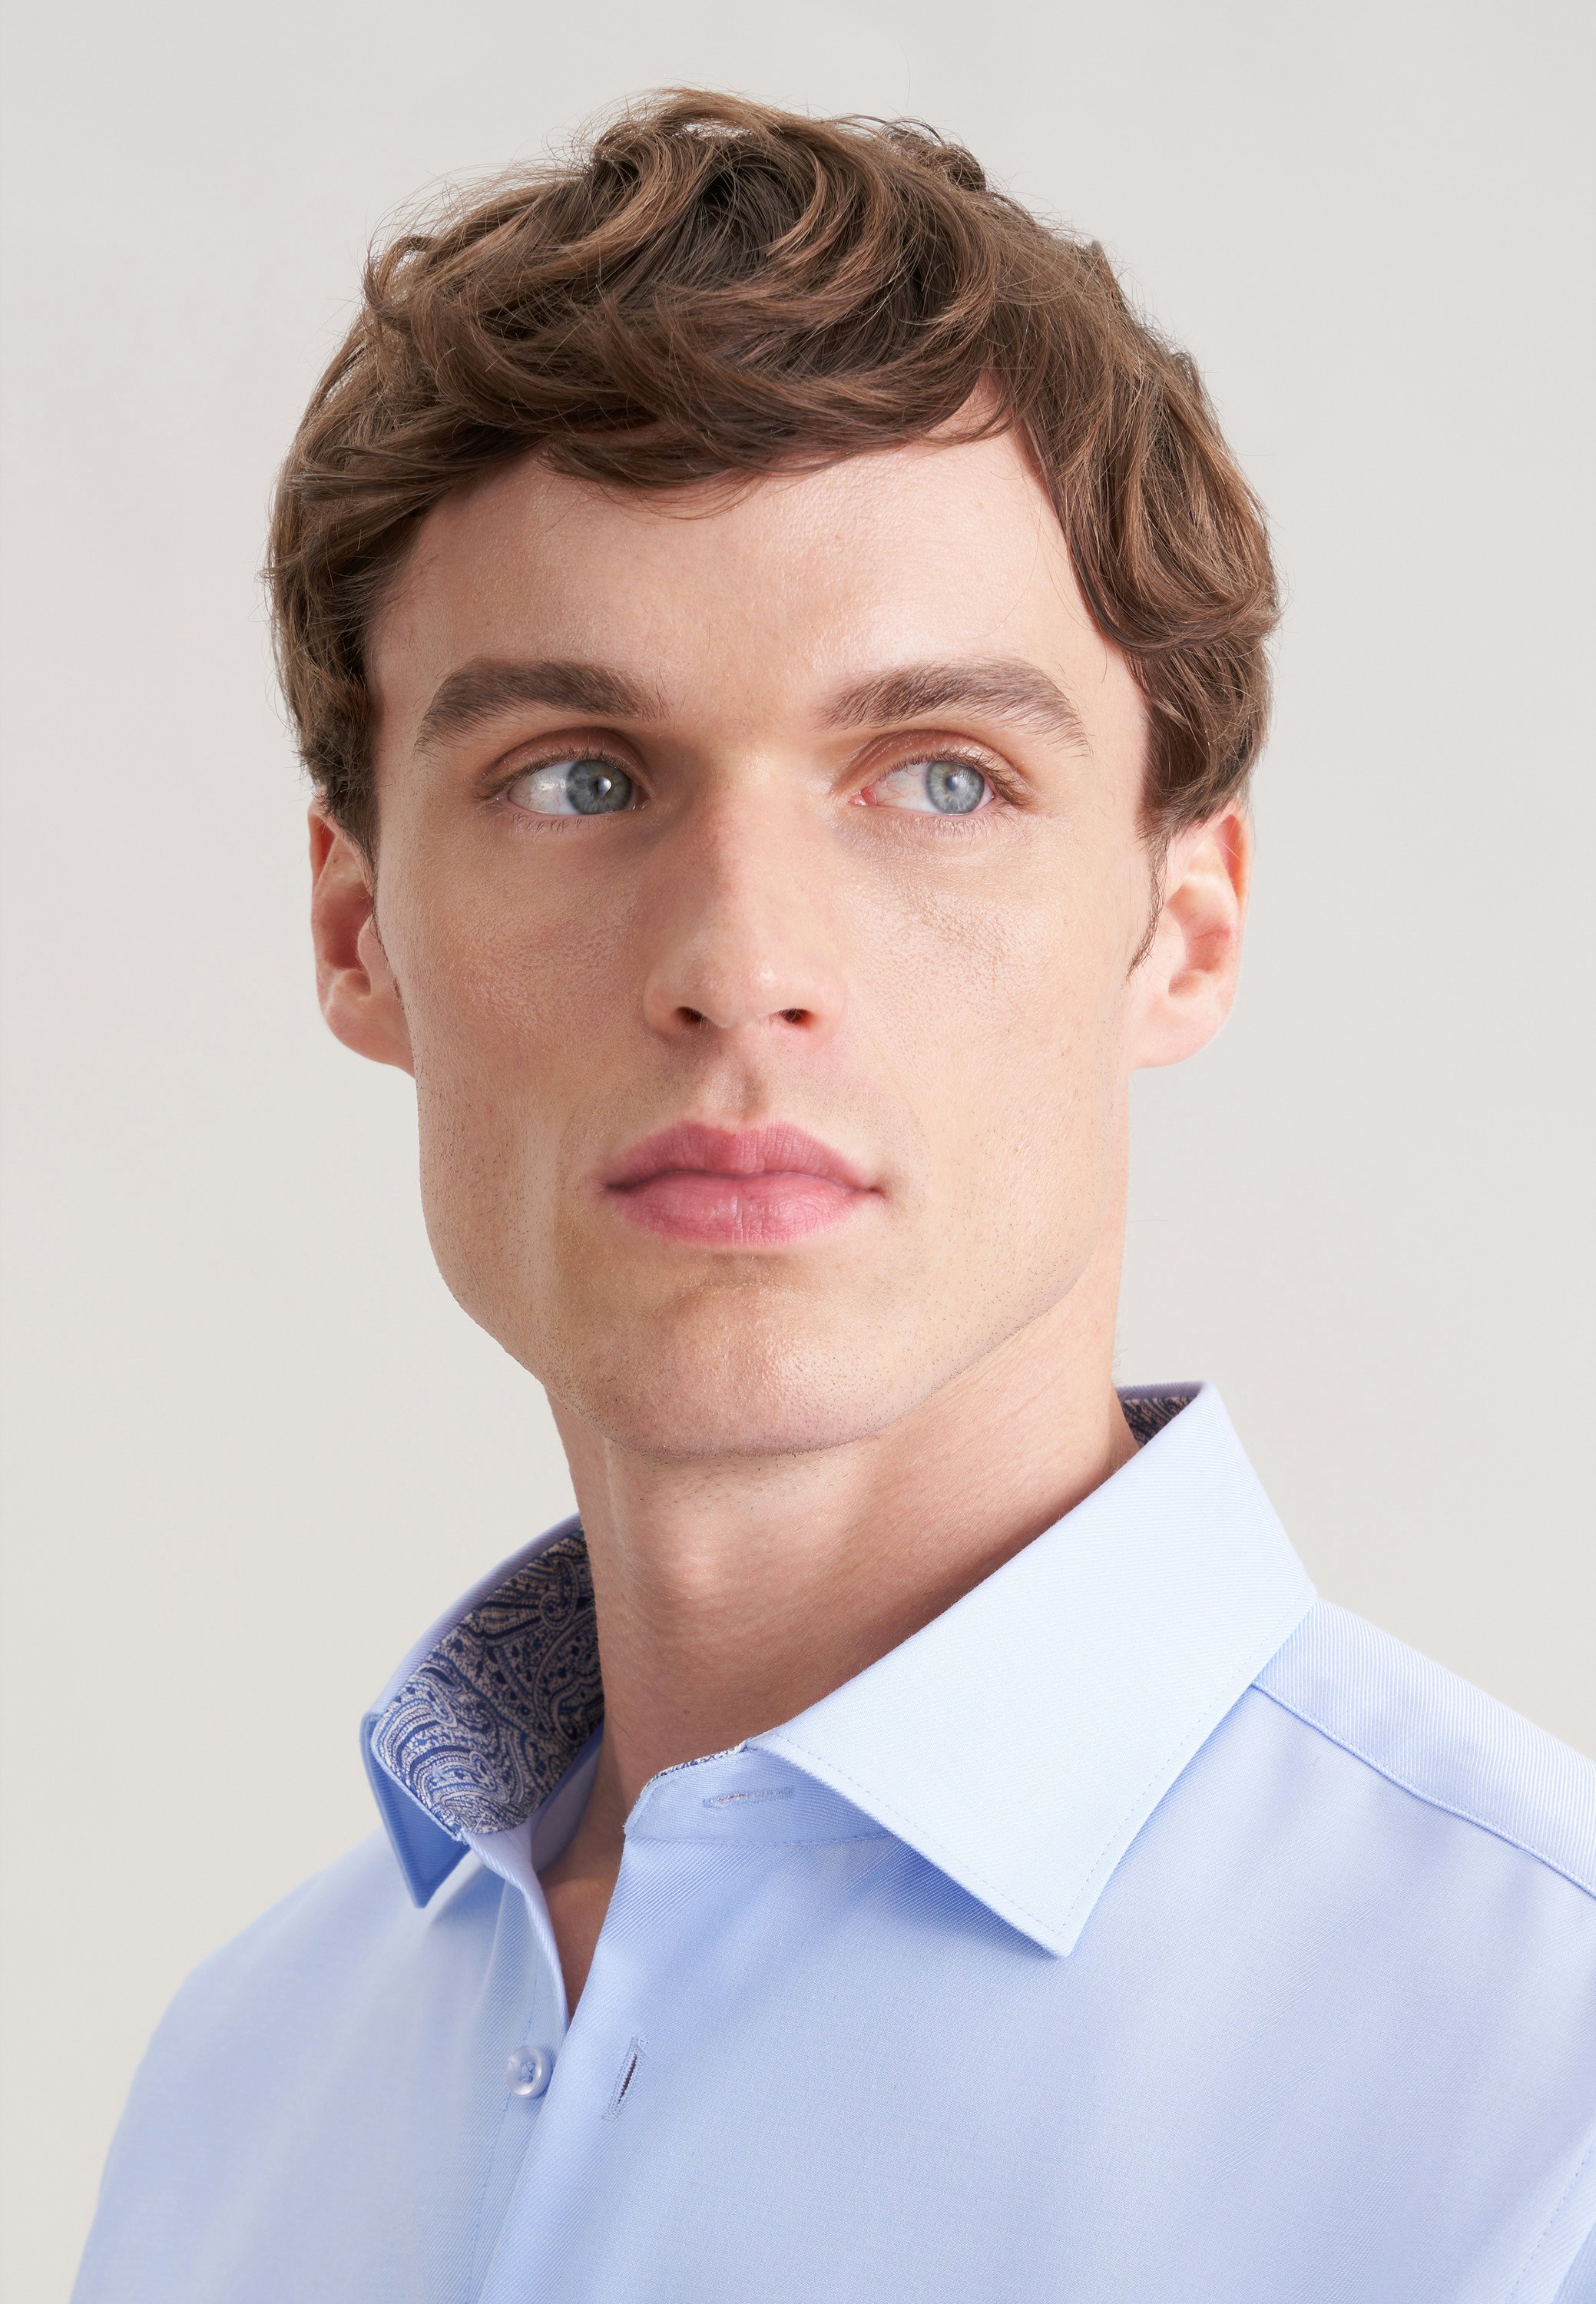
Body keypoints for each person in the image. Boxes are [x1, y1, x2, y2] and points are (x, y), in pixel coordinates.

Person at [73, 91, 1595, 2304]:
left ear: (1183, 931)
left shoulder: (1546, 2092)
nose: (741, 963)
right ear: (355, 929)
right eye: (575, 778)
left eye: (941, 778)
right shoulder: (241, 2092)